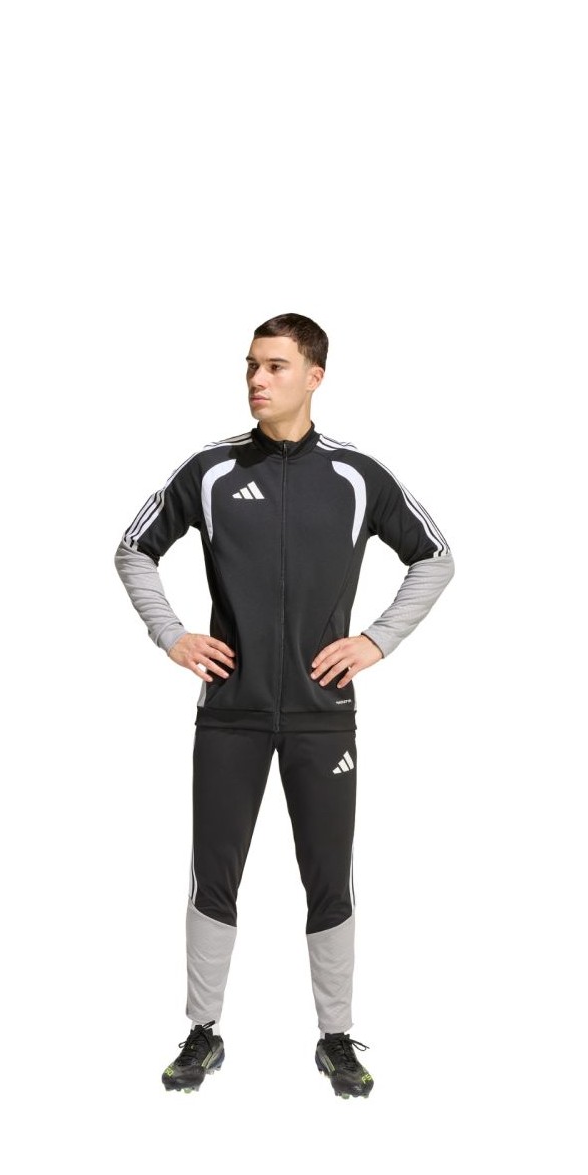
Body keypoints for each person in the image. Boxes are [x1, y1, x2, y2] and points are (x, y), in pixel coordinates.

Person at [114, 314, 453, 1099]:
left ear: (314, 376)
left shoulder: (356, 475)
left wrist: (376, 640)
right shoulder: (211, 470)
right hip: (229, 712)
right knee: (213, 875)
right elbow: (133, 548)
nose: (257, 380)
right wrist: (172, 634)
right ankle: (202, 1032)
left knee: (329, 876)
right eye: (251, 366)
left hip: (322, 716)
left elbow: (435, 557)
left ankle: (335, 1038)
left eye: (274, 366)